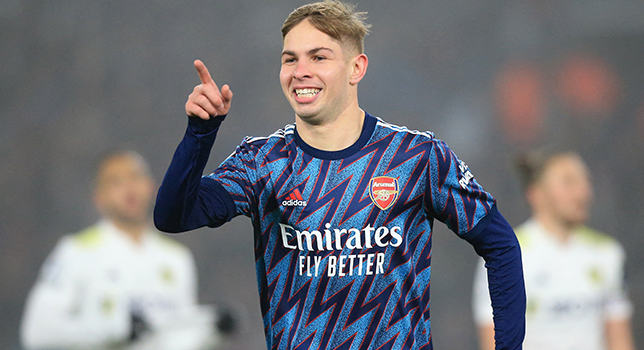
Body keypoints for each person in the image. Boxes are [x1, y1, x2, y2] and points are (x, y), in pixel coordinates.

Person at [154, 1, 525, 349]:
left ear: (356, 68)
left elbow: (501, 244)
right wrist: (199, 135)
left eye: (319, 57)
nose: (301, 71)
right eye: (290, 59)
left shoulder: (416, 156)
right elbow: (173, 216)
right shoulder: (262, 162)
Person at [20, 150, 221, 350]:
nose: (129, 188)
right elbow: (38, 332)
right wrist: (113, 331)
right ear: (98, 198)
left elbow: (178, 337)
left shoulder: (177, 258)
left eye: (135, 177)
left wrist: (212, 333)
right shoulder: (76, 252)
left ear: (152, 187)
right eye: (115, 181)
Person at [473, 150, 636, 350]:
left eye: (586, 181)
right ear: (536, 193)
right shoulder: (504, 256)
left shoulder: (607, 253)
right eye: (569, 182)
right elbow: (493, 342)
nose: (583, 192)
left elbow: (619, 339)